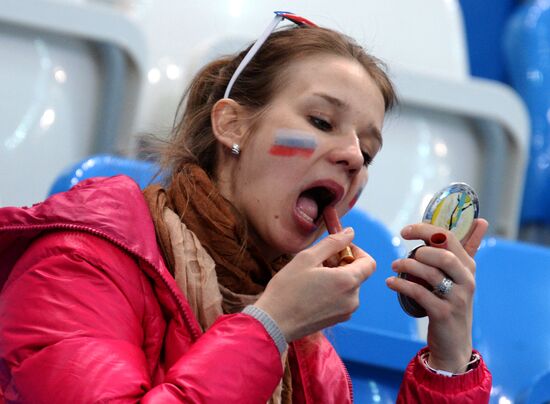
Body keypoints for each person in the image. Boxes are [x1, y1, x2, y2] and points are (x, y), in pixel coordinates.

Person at [0, 11, 491, 403]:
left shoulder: (309, 348)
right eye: (321, 120)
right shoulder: (75, 264)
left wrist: (449, 358)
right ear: (232, 125)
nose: (351, 157)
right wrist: (268, 327)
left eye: (367, 152)